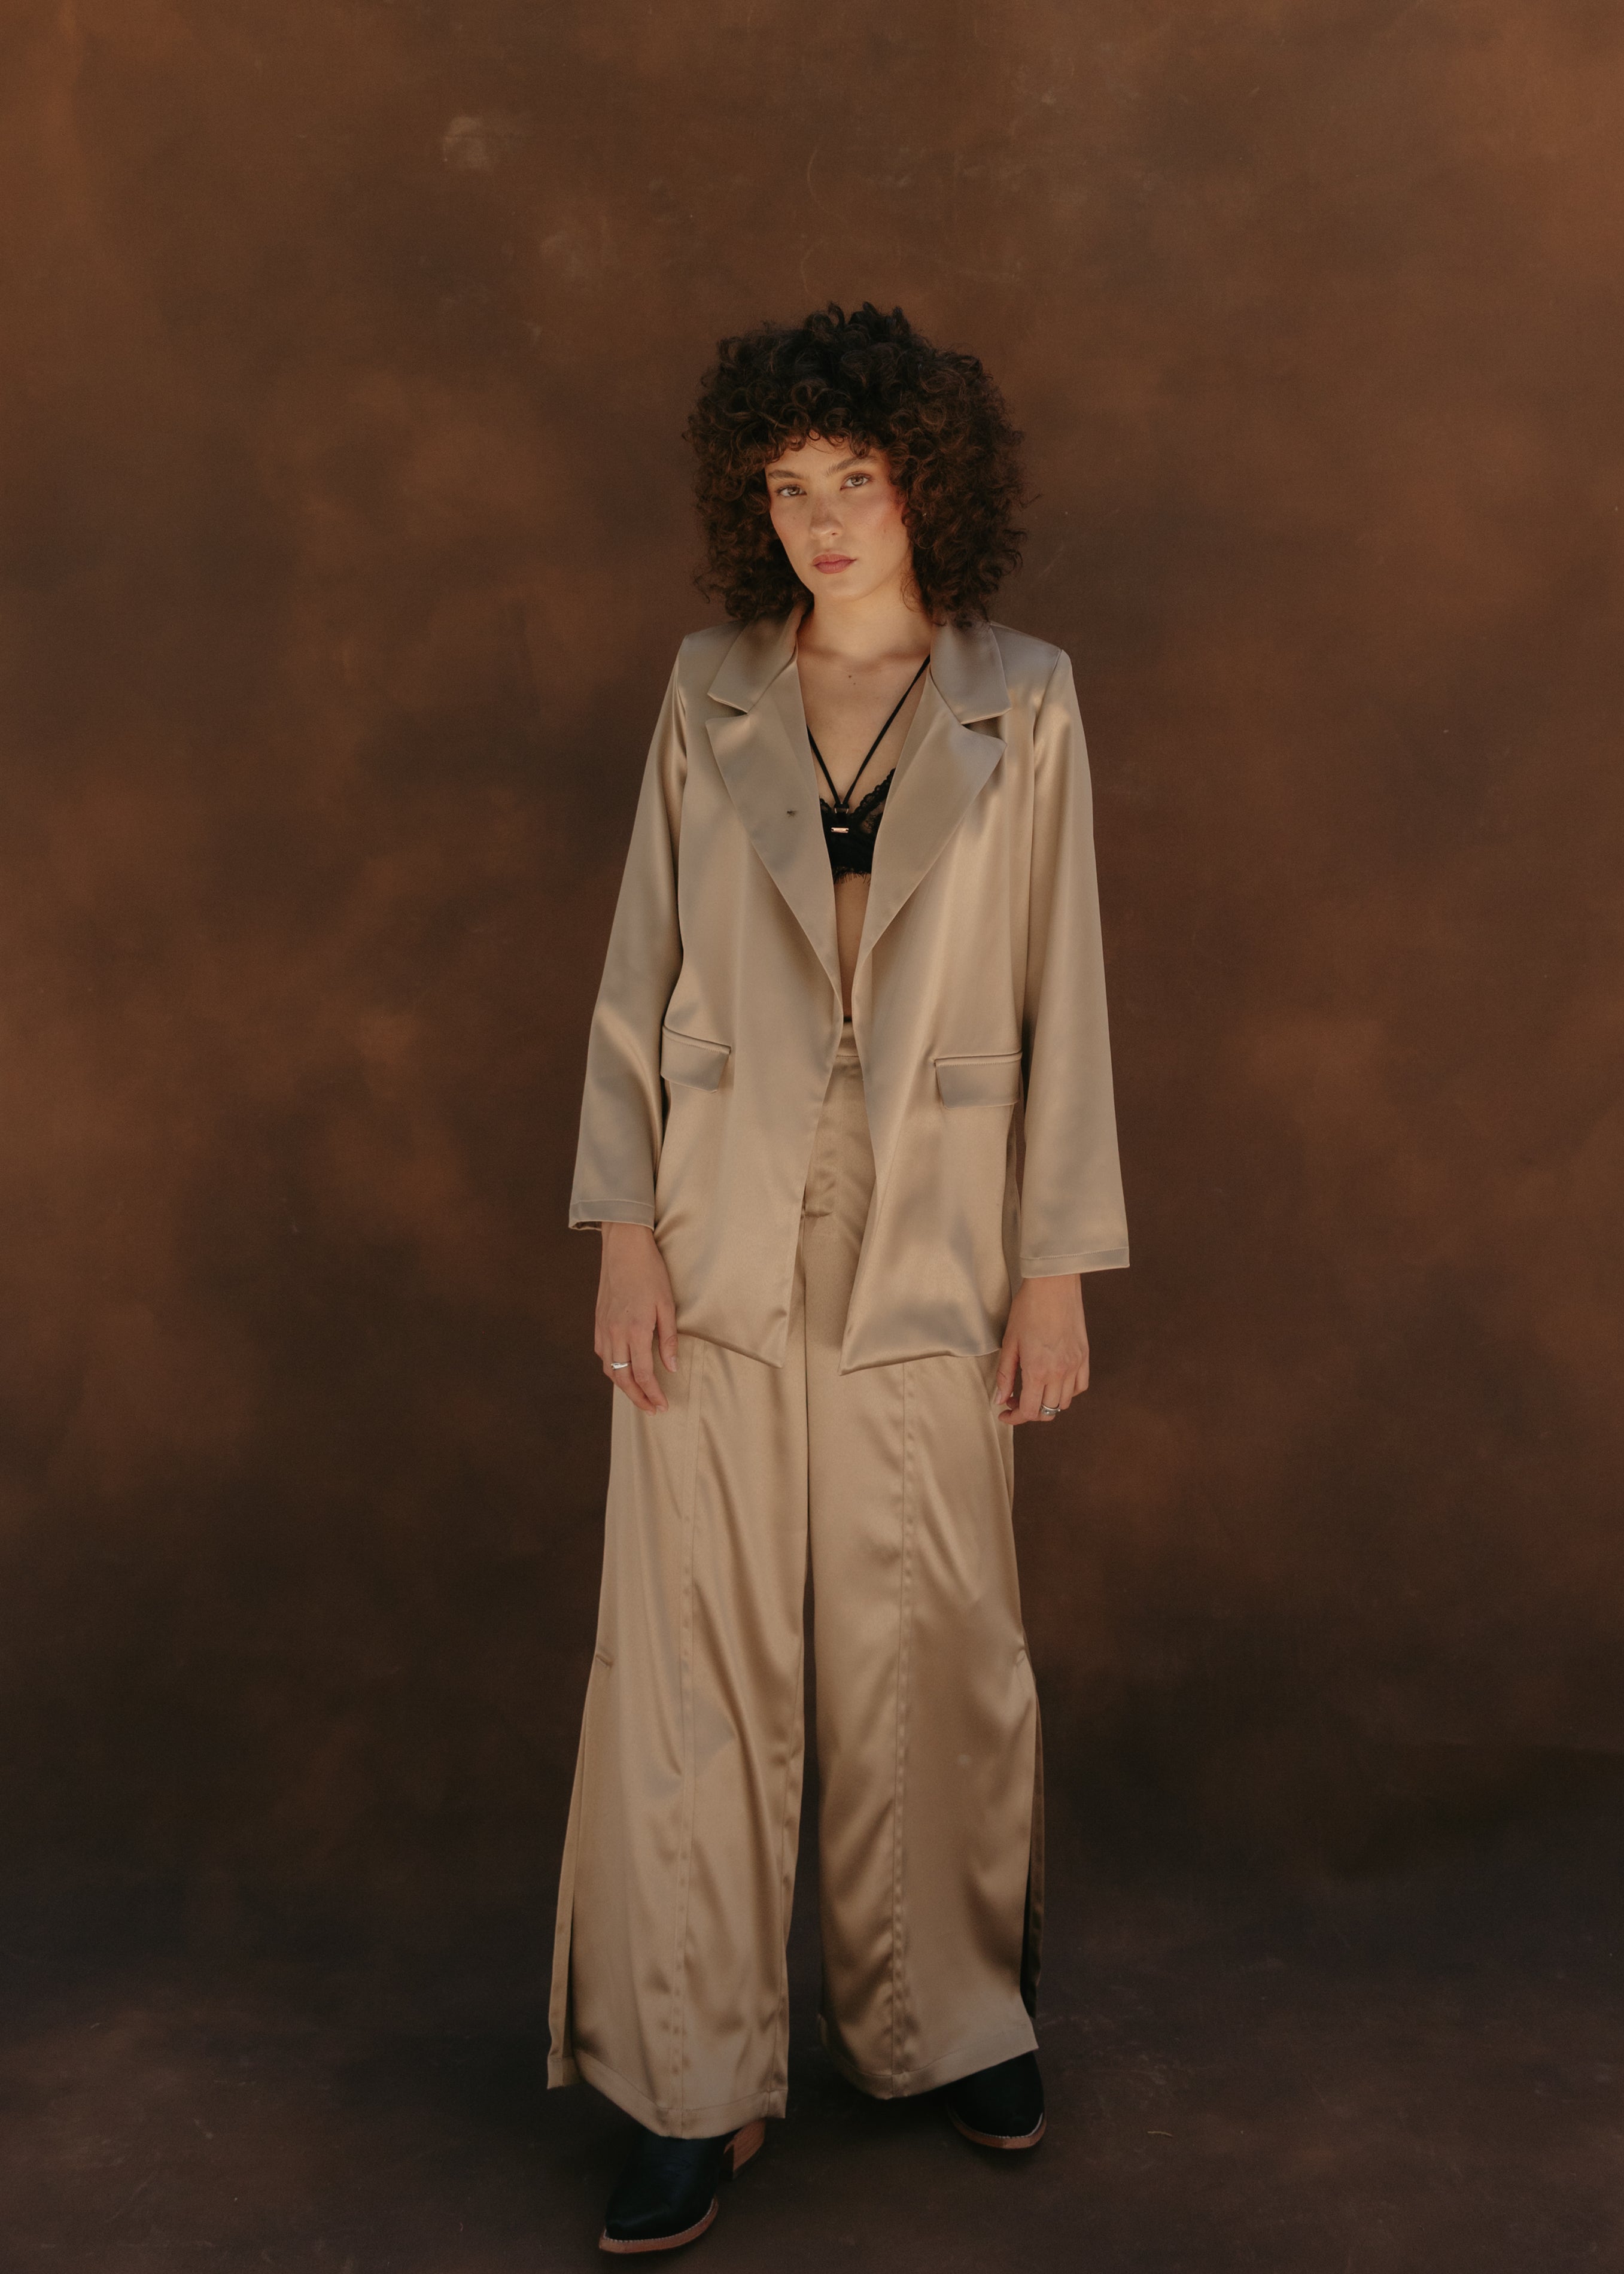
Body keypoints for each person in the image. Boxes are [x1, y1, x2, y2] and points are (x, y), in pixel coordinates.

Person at [548, 302, 1129, 2254]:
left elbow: (1063, 997)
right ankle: (690, 2080)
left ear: (923, 483)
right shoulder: (706, 688)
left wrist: (1055, 1267)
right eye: (787, 485)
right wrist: (622, 1228)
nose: (819, 519)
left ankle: (943, 2020)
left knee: (931, 1630)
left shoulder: (1025, 699)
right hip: (711, 1215)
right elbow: (637, 973)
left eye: (853, 479)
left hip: (940, 1226)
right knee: (694, 1653)